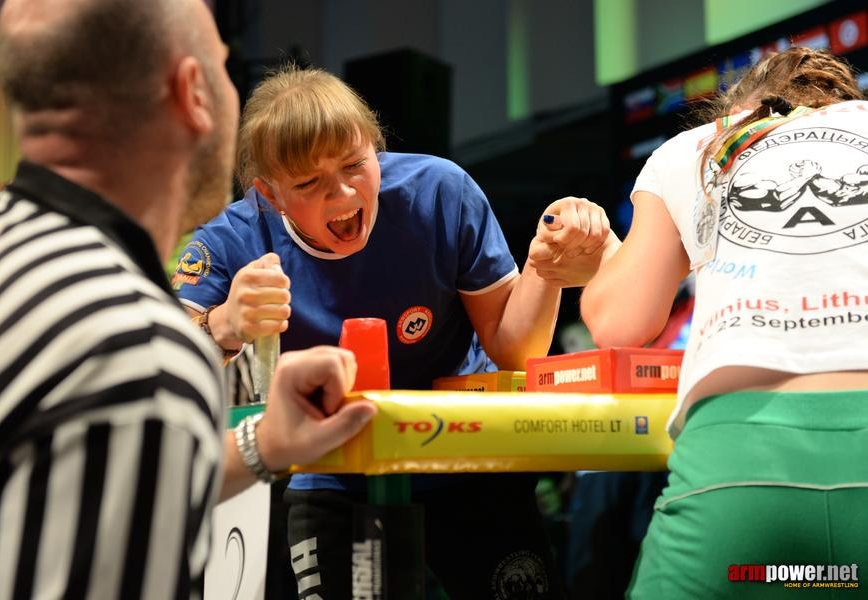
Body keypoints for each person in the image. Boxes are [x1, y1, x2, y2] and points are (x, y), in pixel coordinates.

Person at [0, 1, 374, 598]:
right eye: (224, 65)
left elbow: (76, 477)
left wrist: (263, 444)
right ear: (193, 93)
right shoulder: (135, 347)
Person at [172, 65, 612, 598]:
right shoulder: (232, 239)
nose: (342, 193)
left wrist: (546, 273)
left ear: (374, 146)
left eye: (355, 164)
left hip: (465, 451)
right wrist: (223, 323)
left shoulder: (441, 192)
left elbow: (512, 350)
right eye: (308, 183)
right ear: (270, 194)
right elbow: (165, 360)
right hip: (332, 466)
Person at [577, 47, 868, 598]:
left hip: (739, 471)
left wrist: (605, 260)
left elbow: (617, 323)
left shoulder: (692, 146)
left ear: (736, 107)